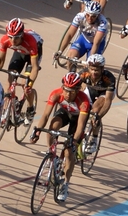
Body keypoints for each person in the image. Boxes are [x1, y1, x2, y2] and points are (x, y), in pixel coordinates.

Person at [29, 72, 91, 202]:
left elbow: (80, 126)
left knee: (69, 153)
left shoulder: (83, 101)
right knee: (53, 126)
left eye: (72, 91)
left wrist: (74, 143)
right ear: (63, 87)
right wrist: (37, 131)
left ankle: (65, 184)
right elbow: (45, 115)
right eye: (66, 90)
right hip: (65, 112)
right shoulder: (56, 93)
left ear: (78, 90)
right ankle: (51, 152)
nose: (68, 94)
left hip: (77, 119)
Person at [0, 18, 43, 124]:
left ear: (21, 35)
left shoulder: (30, 41)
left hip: (33, 52)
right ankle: (8, 107)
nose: (13, 40)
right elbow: (0, 61)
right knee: (10, 79)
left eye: (16, 37)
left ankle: (30, 109)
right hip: (20, 52)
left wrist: (29, 84)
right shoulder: (5, 40)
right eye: (10, 37)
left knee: (24, 85)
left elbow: (35, 67)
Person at [78, 54, 115, 153]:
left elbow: (108, 101)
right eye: (92, 69)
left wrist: (98, 116)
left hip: (104, 94)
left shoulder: (109, 78)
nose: (94, 72)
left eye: (97, 70)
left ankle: (94, 139)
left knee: (95, 111)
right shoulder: (84, 73)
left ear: (102, 69)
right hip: (91, 91)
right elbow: (76, 89)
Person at [56, 1, 108, 68]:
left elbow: (96, 43)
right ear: (85, 13)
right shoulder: (79, 17)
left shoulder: (103, 23)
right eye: (88, 15)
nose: (90, 18)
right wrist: (60, 51)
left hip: (97, 44)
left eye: (93, 16)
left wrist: (90, 61)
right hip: (83, 40)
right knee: (70, 58)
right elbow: (69, 34)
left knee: (90, 68)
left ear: (98, 15)